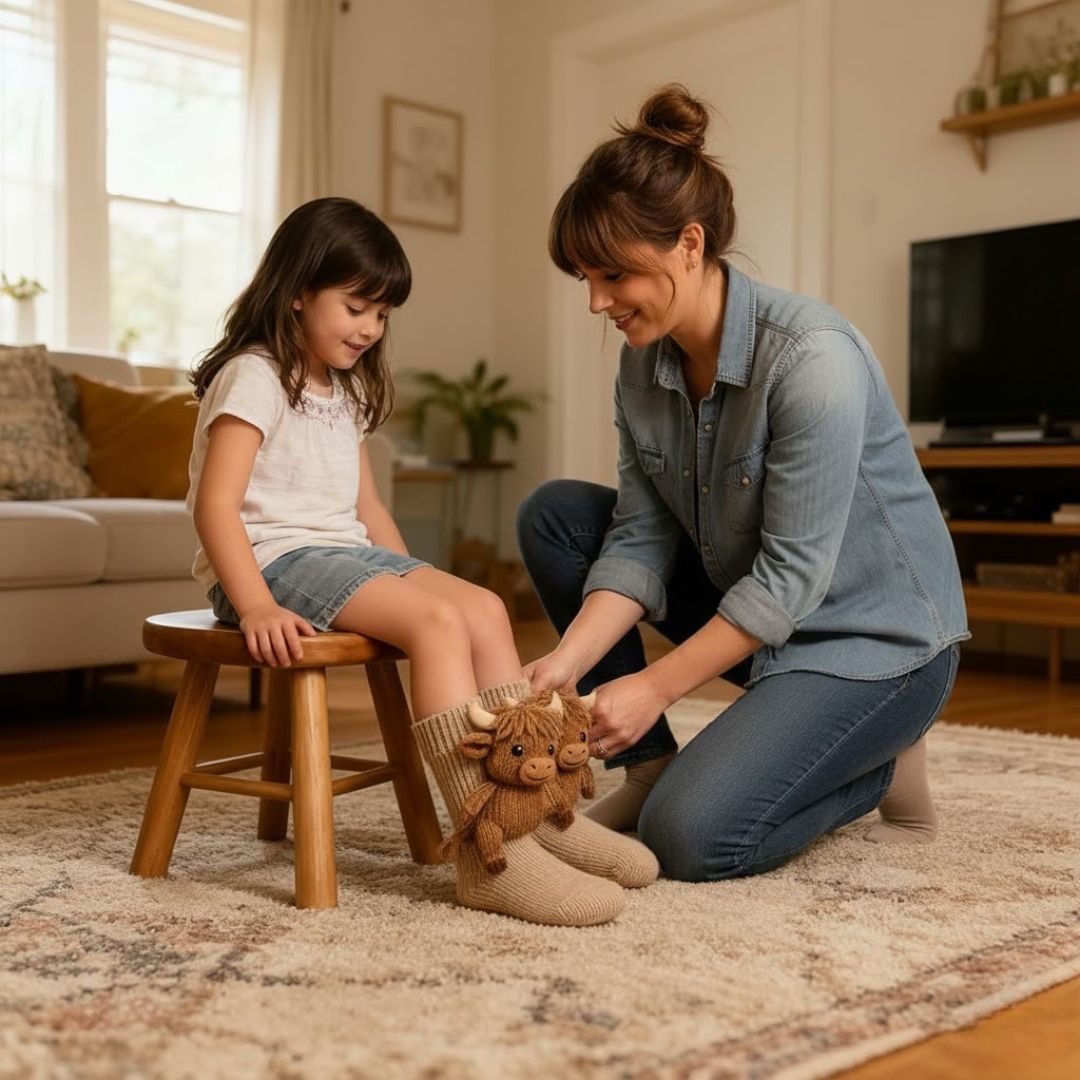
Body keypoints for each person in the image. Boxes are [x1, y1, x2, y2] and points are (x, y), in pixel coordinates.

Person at [517, 86, 968, 882]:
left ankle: (878, 763)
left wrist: (653, 684)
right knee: (558, 516)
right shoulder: (640, 364)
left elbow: (792, 580)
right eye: (585, 277)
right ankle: (651, 767)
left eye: (614, 274)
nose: (597, 302)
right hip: (765, 620)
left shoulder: (812, 358)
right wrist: (565, 662)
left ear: (689, 244)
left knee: (691, 840)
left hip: (873, 643)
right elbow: (641, 534)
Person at [187, 196, 655, 925]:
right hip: (268, 565)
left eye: (382, 315)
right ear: (298, 291)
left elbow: (367, 511)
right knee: (437, 624)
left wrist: (411, 580)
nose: (370, 329)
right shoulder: (254, 374)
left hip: (336, 558)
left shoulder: (341, 389)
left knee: (483, 607)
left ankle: (538, 814)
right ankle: (487, 851)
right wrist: (251, 603)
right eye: (356, 308)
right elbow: (216, 507)